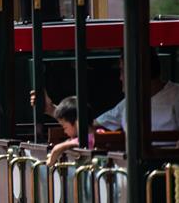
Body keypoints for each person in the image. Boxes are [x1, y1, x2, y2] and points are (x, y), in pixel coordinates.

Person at [31, 50, 179, 135]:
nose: (120, 78)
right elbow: (89, 125)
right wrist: (50, 109)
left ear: (139, 71)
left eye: (122, 71)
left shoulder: (175, 95)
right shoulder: (129, 103)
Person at [46, 97, 96, 166]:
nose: (64, 131)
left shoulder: (89, 139)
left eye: (65, 127)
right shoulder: (95, 134)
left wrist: (50, 161)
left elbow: (57, 149)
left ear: (77, 123)